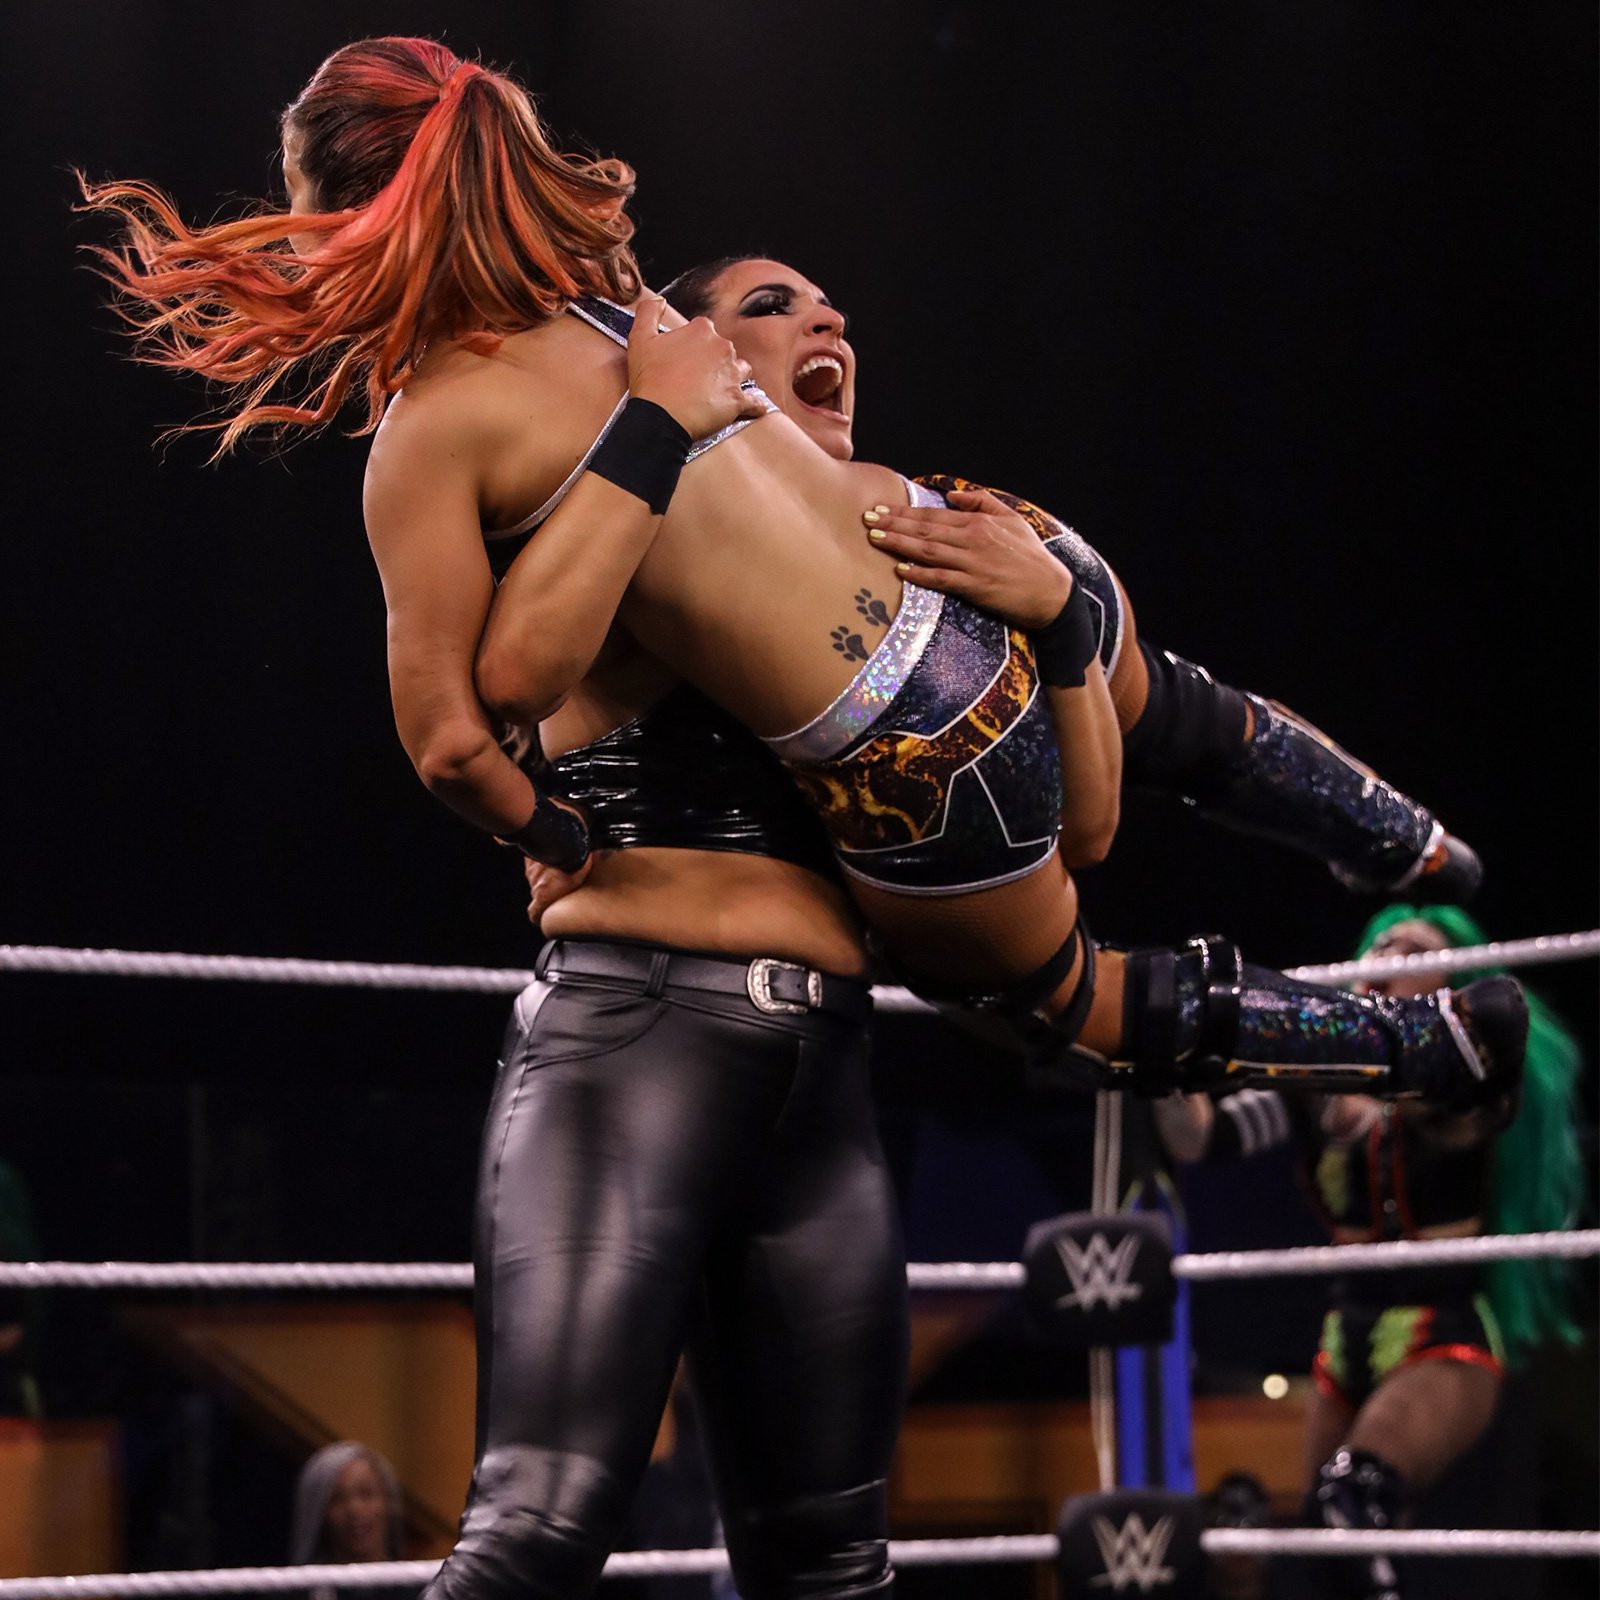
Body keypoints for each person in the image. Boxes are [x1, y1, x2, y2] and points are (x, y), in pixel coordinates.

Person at [79, 37, 1525, 1113]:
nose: (823, 322)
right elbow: (1089, 816)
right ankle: (1408, 853)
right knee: (1159, 722)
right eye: (777, 306)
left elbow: (483, 709)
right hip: (972, 624)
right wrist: (1069, 641)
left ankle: (1428, 1033)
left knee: (1072, 995)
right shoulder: (630, 310)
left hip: (893, 761)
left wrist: (557, 832)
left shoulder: (464, 419)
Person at [1168, 904, 1583, 1600]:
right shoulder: (1317, 1092)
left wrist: (1364, 1050)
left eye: (1414, 952)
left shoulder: (1464, 1085)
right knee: (1333, 1548)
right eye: (1381, 946)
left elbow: (1468, 1112)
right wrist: (1162, 1055)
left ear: (1451, 986)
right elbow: (1201, 1139)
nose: (1389, 959)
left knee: (1352, 1498)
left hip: (1441, 1334)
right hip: (1344, 1333)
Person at [290, 1441, 415, 1595]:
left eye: (366, 1493)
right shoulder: (303, 1592)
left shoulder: (423, 1589)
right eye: (337, 1498)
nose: (355, 1510)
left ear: (388, 1501)